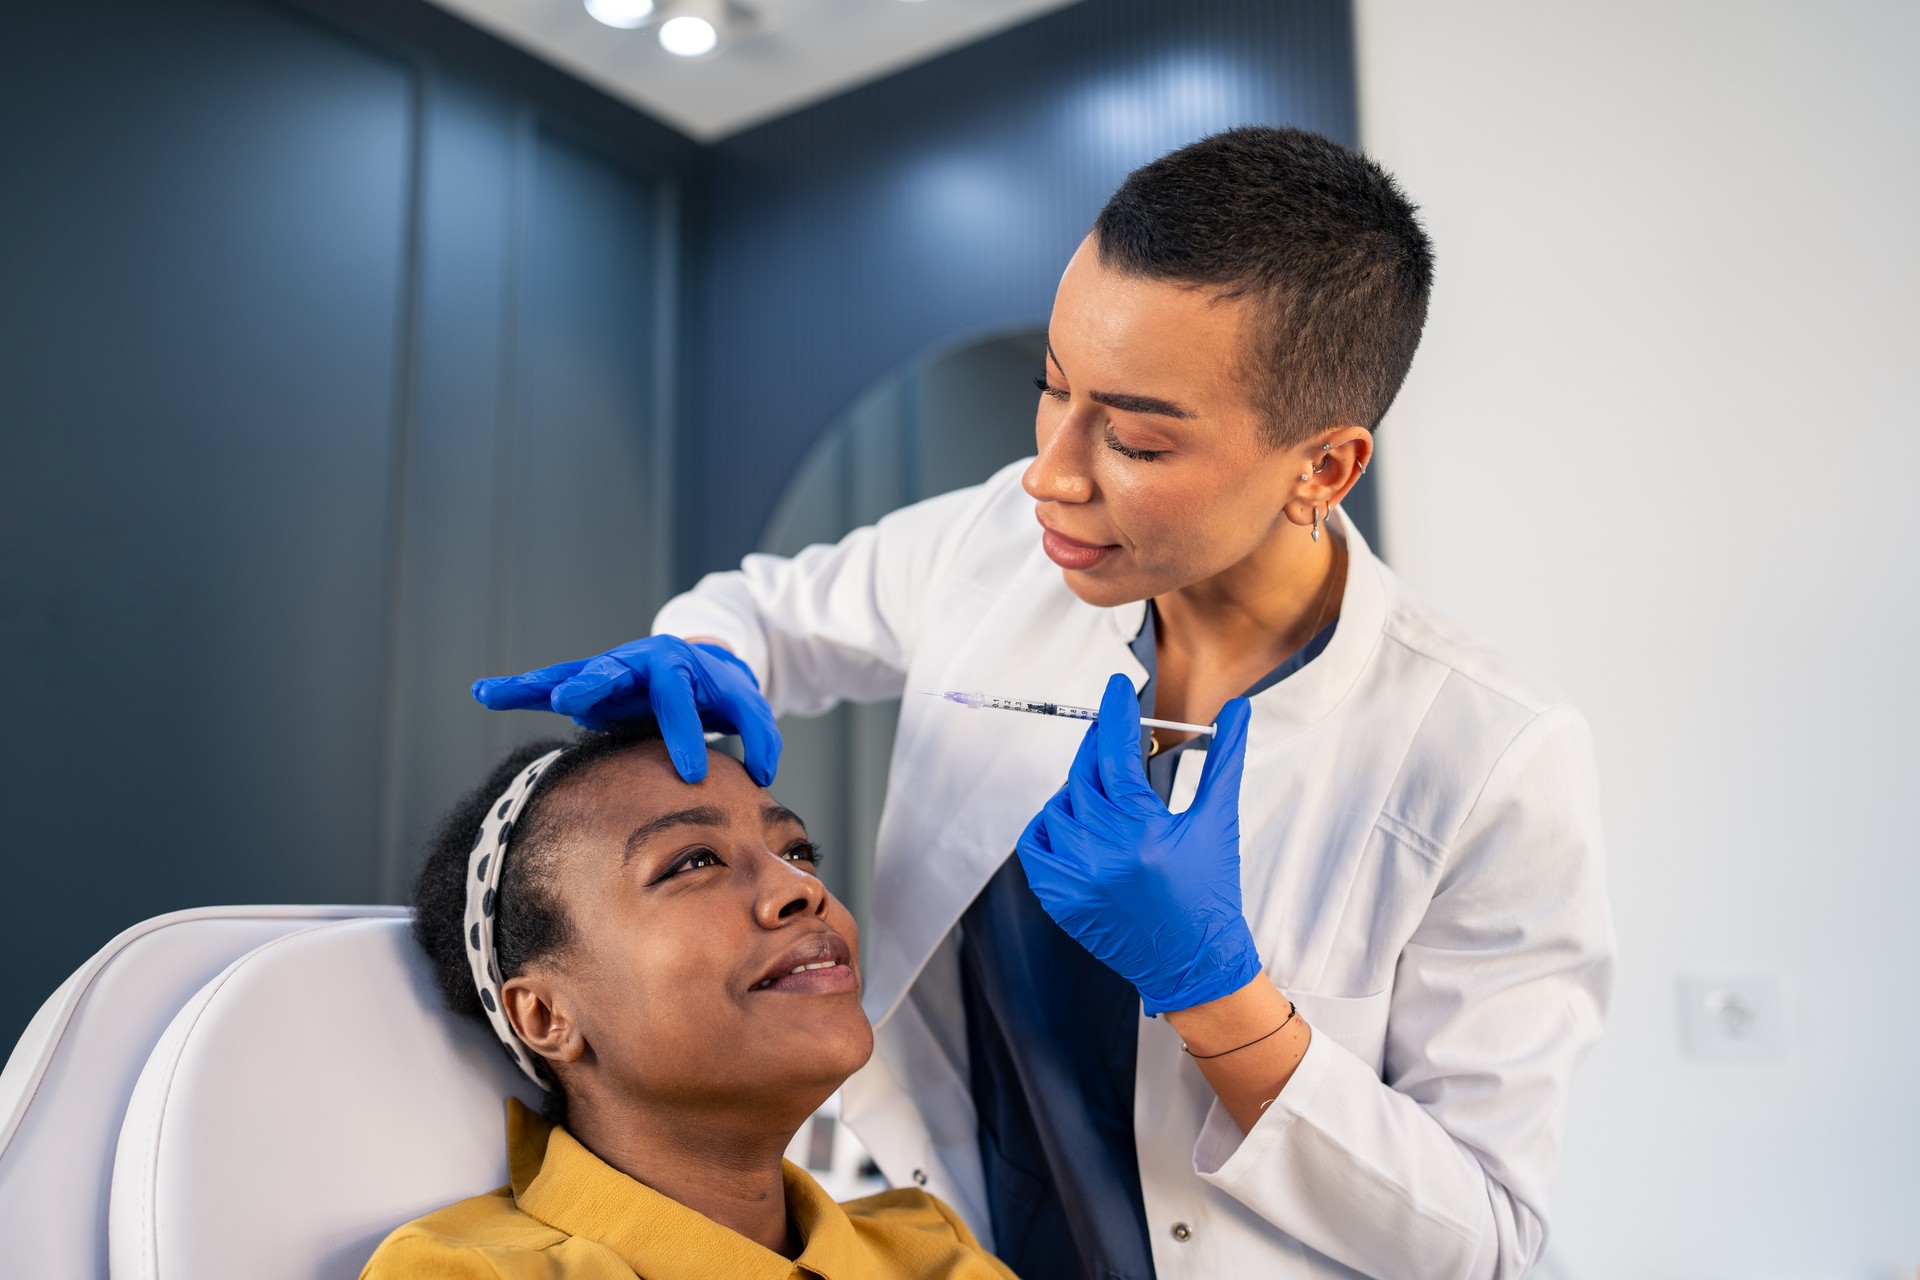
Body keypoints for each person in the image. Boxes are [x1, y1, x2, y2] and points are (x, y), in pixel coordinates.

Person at [473, 126, 1614, 1280]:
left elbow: (1485, 1241)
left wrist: (1219, 997)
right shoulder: (1000, 545)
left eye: (1134, 438)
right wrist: (702, 651)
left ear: (1322, 467)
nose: (1051, 474)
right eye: (1051, 389)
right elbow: (765, 615)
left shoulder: (1489, 754)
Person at [363, 720, 1019, 1280]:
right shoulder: (474, 1272)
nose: (800, 888)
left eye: (797, 850)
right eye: (693, 863)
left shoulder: (930, 1251)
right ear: (546, 1014)